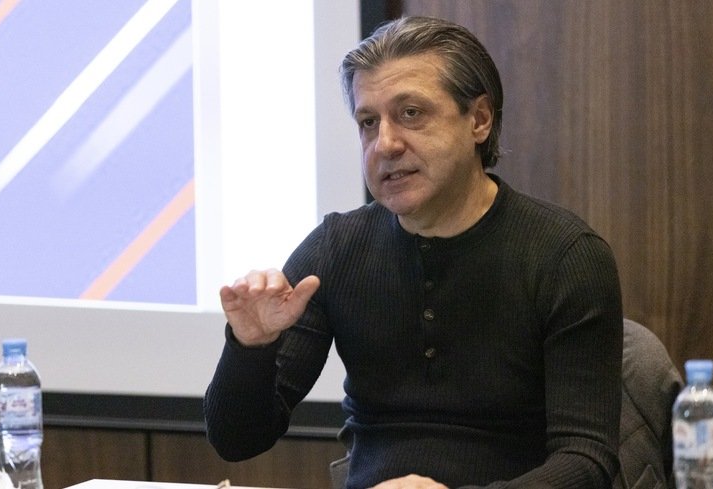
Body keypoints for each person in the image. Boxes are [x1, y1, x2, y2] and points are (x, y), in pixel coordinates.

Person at [204, 15, 622, 489]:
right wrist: (250, 348)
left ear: (479, 120)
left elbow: (587, 461)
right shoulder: (335, 249)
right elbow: (237, 441)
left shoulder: (565, 256)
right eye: (368, 122)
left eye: (410, 113)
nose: (385, 144)